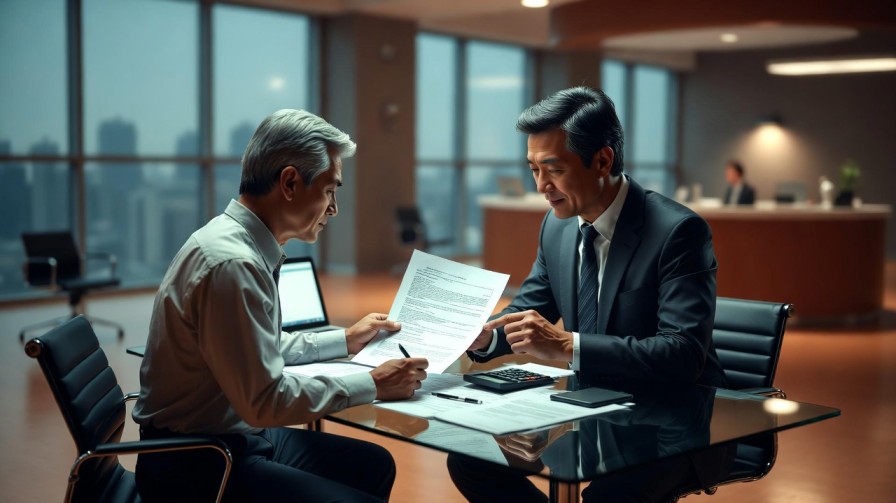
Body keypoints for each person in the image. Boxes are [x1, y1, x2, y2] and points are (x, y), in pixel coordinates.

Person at [133, 109, 429, 503]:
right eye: (329, 190)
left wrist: (346, 339)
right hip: (197, 462)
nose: (334, 208)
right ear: (289, 182)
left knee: (373, 464)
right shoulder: (233, 265)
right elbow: (265, 401)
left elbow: (260, 351)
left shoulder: (239, 244)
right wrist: (372, 384)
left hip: (228, 437)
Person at [448, 86, 728, 502]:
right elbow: (531, 306)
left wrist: (567, 345)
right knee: (469, 460)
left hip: (670, 423)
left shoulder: (677, 232)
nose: (542, 185)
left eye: (553, 169)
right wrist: (487, 337)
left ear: (602, 160)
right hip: (584, 407)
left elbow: (683, 354)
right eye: (533, 169)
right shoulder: (557, 226)